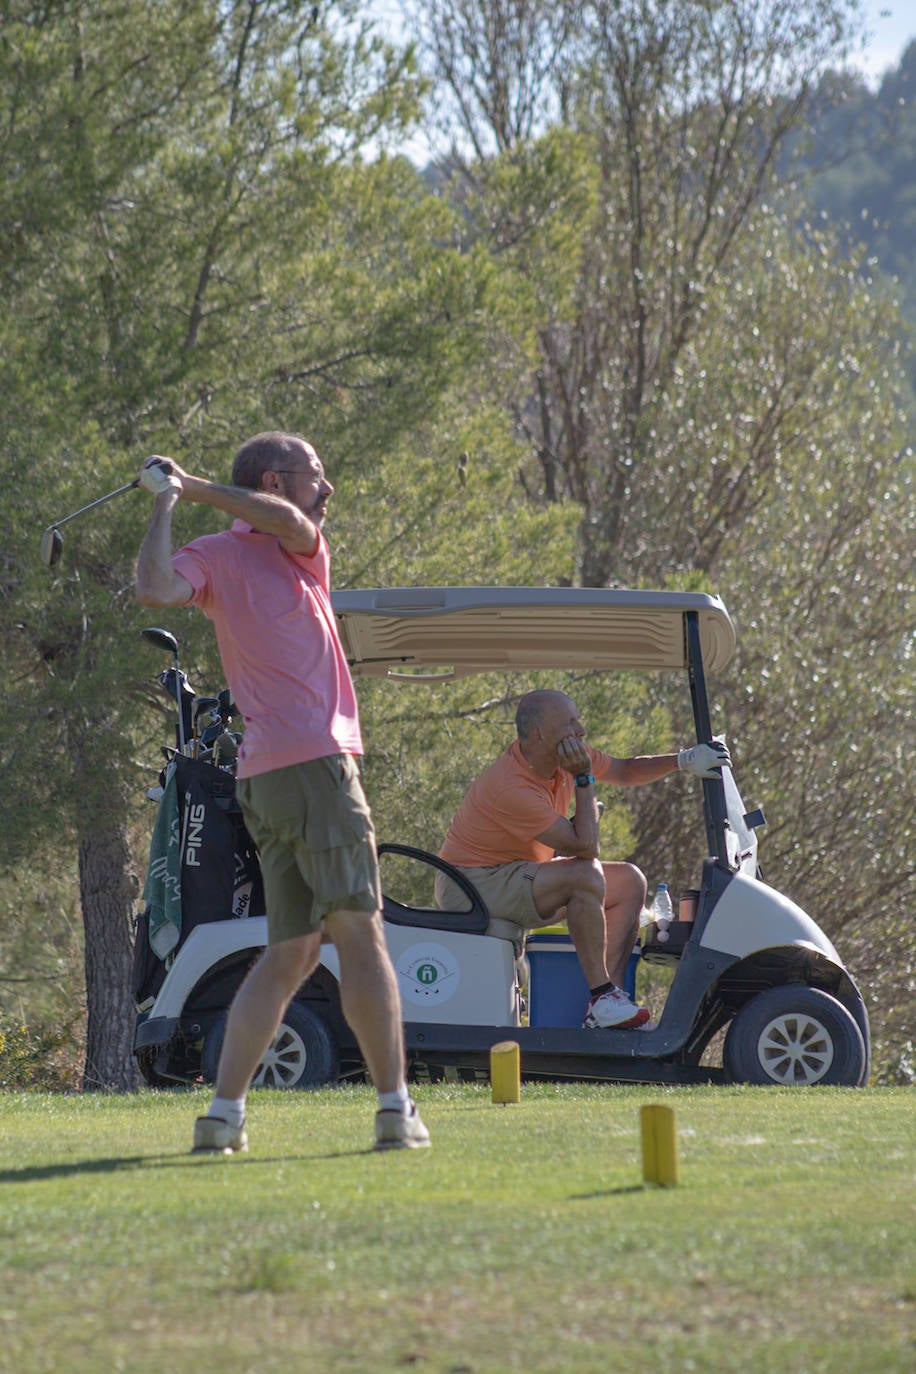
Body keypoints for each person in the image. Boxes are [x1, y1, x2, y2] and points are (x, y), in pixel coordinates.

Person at [134, 432, 429, 1153]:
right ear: (275, 478)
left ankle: (222, 1117)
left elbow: (290, 522)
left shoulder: (298, 546)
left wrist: (190, 487)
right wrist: (168, 504)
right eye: (315, 476)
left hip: (266, 778)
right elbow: (155, 587)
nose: (326, 491)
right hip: (316, 767)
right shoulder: (219, 550)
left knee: (291, 953)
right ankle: (396, 1112)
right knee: (363, 935)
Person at [435, 690, 729, 1029]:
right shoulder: (511, 786)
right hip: (472, 883)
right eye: (570, 723)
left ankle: (611, 1004)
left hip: (513, 873)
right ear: (539, 735)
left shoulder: (564, 756)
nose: (581, 731)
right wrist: (584, 779)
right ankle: (602, 997)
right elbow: (585, 847)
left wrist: (683, 760)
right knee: (586, 875)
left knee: (629, 882)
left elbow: (623, 770)